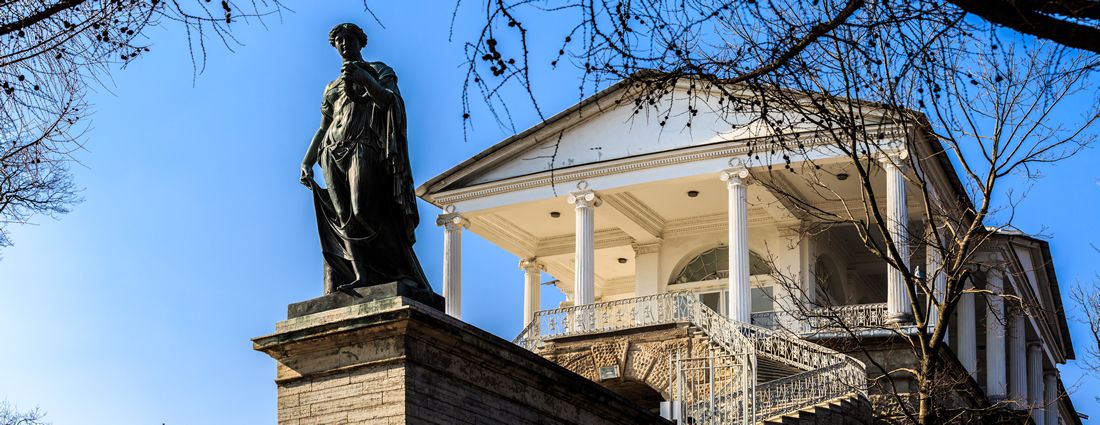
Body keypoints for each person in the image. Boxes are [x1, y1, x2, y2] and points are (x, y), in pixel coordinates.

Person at [299, 23, 429, 295]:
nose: (344, 43)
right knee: (344, 216)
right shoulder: (331, 87)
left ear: (361, 42)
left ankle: (401, 270)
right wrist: (307, 161)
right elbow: (324, 126)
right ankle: (361, 274)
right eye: (339, 40)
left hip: (364, 145)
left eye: (349, 38)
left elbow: (391, 103)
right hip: (331, 152)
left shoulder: (378, 70)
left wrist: (364, 80)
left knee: (363, 209)